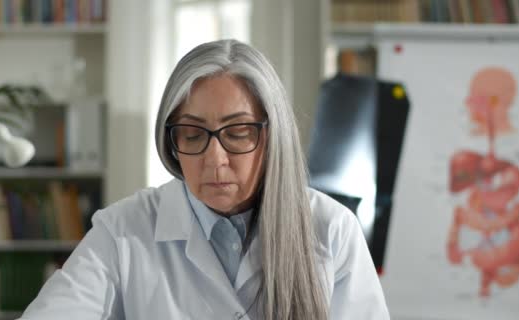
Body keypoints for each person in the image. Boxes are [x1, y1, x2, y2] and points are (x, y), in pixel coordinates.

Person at [19, 39, 389, 320]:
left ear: (272, 135)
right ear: (172, 142)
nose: (215, 159)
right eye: (193, 135)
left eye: (238, 132)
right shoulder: (123, 230)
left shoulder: (332, 229)